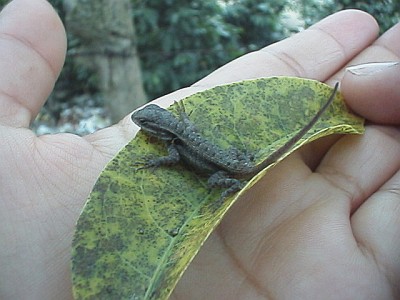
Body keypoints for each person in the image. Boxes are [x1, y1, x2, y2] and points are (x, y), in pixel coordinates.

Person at [0, 0, 398, 299]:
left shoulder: (173, 144)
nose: (142, 128)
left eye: (147, 125)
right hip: (236, 159)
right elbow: (182, 133)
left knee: (220, 179)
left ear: (159, 129)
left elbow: (174, 158)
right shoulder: (179, 128)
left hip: (225, 173)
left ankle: (231, 182)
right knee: (239, 160)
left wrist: (156, 164)